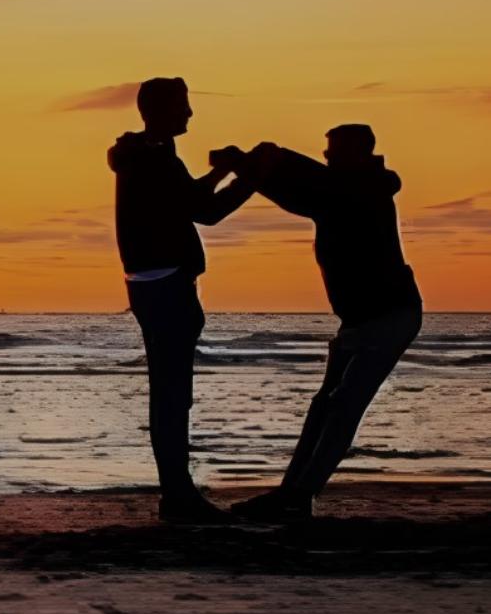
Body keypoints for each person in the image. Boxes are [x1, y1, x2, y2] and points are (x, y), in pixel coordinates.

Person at [227, 126, 423, 523]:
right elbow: (309, 191)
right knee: (325, 406)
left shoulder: (362, 189)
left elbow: (312, 189)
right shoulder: (345, 187)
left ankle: (299, 495)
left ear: (358, 154)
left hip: (389, 315)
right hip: (358, 320)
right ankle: (292, 493)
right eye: (326, 154)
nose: (329, 159)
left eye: (334, 154)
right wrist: (258, 166)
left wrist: (268, 161)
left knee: (343, 406)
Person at [109, 77, 253, 523]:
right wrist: (249, 176)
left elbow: (188, 197)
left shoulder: (146, 156)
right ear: (160, 109)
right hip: (166, 282)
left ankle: (178, 489)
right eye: (183, 106)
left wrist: (223, 173)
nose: (189, 114)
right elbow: (203, 209)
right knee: (172, 393)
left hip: (150, 282)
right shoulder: (152, 158)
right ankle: (177, 494)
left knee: (170, 391)